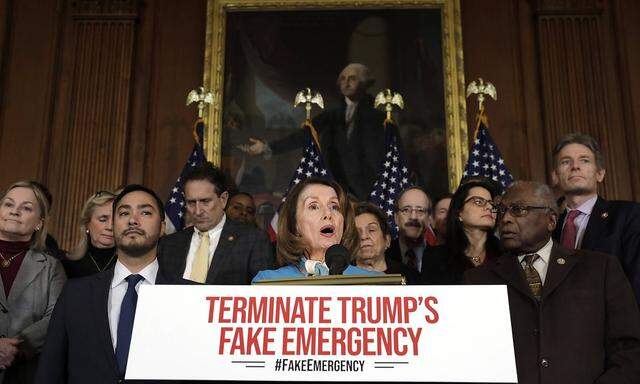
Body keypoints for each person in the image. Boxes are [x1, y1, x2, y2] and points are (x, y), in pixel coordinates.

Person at [465, 181, 640, 384]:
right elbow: (470, 357)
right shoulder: (477, 280)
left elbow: (630, 349)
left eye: (518, 210)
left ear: (551, 220)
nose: (505, 219)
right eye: (502, 210)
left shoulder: (600, 269)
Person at [35, 184, 186, 383]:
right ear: (113, 226)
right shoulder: (75, 294)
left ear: (162, 228)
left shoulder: (189, 296)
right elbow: (50, 372)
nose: (133, 220)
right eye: (124, 213)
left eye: (146, 212)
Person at [240, 63, 387, 200]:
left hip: (367, 191)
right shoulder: (331, 115)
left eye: (352, 79)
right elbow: (304, 135)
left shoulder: (379, 118)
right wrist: (267, 147)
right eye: (343, 79)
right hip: (335, 187)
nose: (346, 83)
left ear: (364, 83)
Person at [550, 133, 640, 304]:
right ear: (555, 176)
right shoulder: (546, 225)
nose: (575, 166)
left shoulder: (629, 216)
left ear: (600, 174)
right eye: (565, 161)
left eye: (584, 160)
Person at [158, 162, 274, 284]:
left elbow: (262, 297)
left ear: (223, 199)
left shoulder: (253, 240)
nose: (198, 211)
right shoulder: (169, 245)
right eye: (191, 202)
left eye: (205, 201)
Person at [0, 181, 66, 383]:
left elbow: (56, 318)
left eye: (26, 208)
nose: (15, 211)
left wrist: (15, 347)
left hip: (25, 374)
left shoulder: (51, 267)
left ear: (39, 223)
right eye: (8, 204)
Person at [252, 177, 380, 282]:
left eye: (334, 206)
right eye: (313, 206)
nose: (328, 213)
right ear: (295, 224)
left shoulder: (375, 283)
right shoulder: (268, 282)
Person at [421, 178, 501, 284]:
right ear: (459, 213)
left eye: (492, 204)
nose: (489, 207)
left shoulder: (504, 254)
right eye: (478, 202)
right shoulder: (435, 257)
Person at [354, 202, 419, 284]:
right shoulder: (341, 276)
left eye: (371, 230)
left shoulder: (410, 276)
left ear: (387, 240)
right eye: (356, 232)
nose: (363, 236)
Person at [63, 190, 117, 278]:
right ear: (87, 224)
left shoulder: (130, 266)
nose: (110, 227)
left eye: (115, 221)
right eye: (103, 219)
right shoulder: (67, 266)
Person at [386, 186, 432, 272]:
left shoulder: (445, 259)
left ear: (429, 219)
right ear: (396, 218)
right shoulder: (383, 256)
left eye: (420, 210)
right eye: (406, 210)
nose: (413, 217)